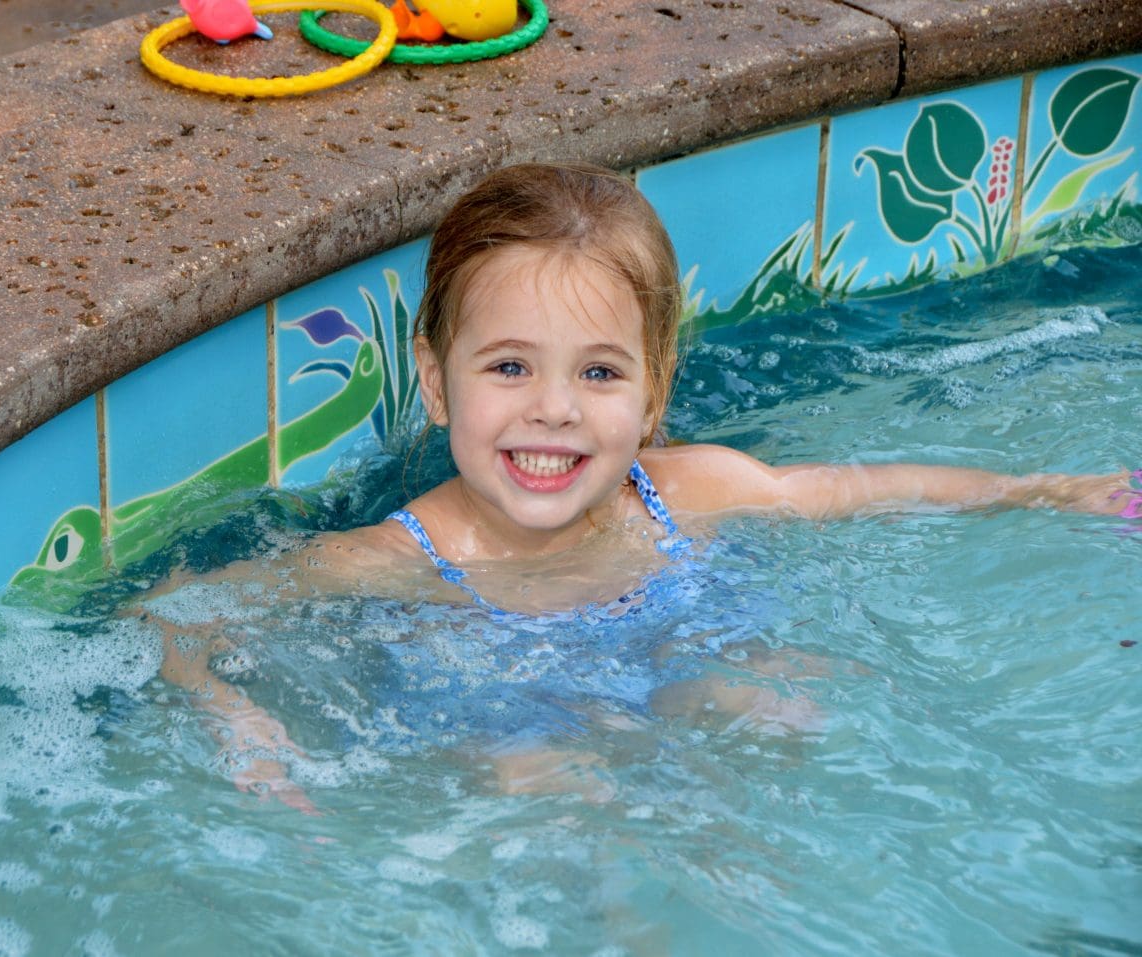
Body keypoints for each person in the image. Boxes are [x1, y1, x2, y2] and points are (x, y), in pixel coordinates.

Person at [141, 161, 1140, 813]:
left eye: (600, 373)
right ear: (436, 383)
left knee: (781, 703)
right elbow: (173, 617)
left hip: (674, 666)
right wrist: (239, 721)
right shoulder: (394, 560)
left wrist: (1041, 492)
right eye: (509, 368)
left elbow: (855, 486)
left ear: (656, 391)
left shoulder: (688, 492)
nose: (555, 411)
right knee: (542, 785)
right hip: (506, 726)